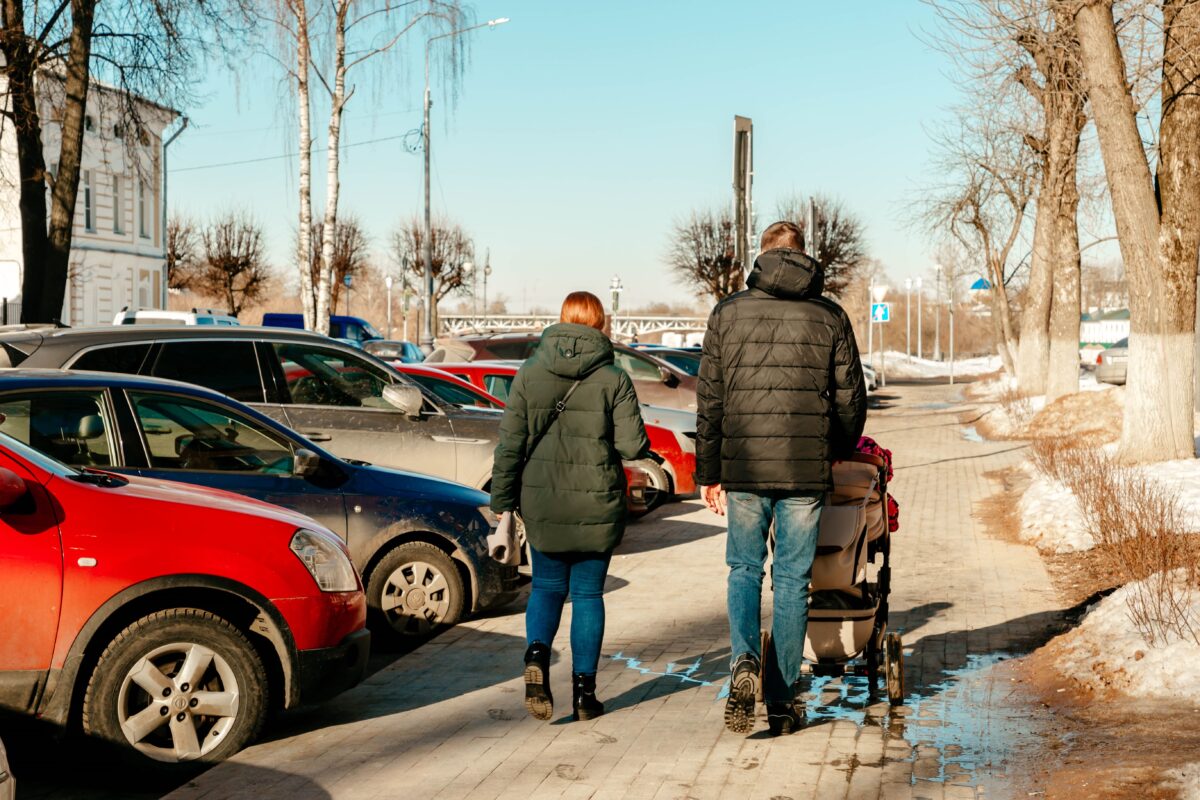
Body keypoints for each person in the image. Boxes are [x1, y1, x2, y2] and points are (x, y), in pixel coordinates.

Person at [696, 221, 867, 736]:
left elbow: (711, 401)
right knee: (793, 581)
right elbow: (850, 399)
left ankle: (744, 662)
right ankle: (783, 696)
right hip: (803, 472)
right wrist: (832, 452)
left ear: (763, 255)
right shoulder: (829, 315)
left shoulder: (727, 313)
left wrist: (709, 472)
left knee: (744, 570)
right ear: (803, 256)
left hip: (744, 468)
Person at [491, 291, 652, 722]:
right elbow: (632, 445)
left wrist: (502, 502)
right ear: (601, 324)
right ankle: (585, 695)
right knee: (586, 594)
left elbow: (510, 445)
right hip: (596, 502)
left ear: (561, 321)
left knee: (545, 587)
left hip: (541, 500)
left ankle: (538, 658)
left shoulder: (529, 372)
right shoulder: (613, 376)